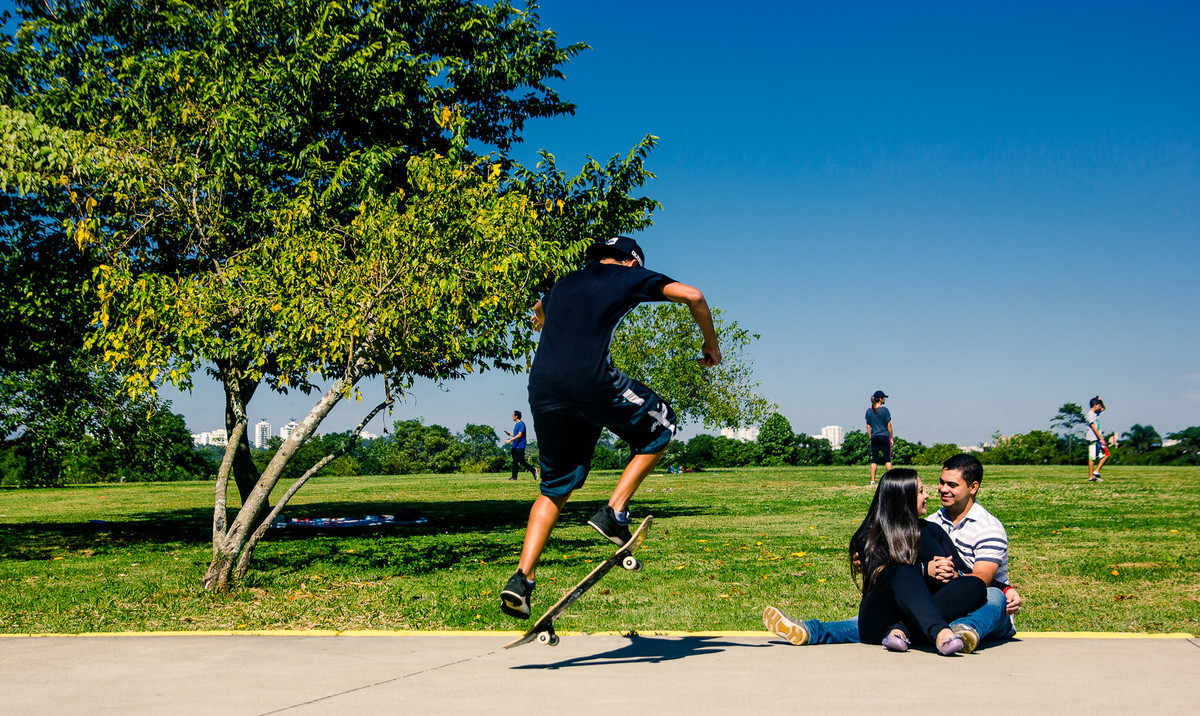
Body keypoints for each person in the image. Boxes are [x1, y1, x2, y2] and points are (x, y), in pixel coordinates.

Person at [500, 236, 721, 619]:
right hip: (590, 382)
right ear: (632, 262)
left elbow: (538, 310)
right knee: (662, 425)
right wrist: (710, 345)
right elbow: (694, 296)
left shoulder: (566, 282)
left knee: (554, 487)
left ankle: (522, 579)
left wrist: (556, 327)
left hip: (545, 389)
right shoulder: (626, 276)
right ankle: (614, 511)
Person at [763, 454, 1023, 654]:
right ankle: (940, 633)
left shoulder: (937, 529)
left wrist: (1004, 587)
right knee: (902, 575)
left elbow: (970, 574)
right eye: (925, 489)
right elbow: (888, 577)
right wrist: (924, 570)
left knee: (980, 589)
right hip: (883, 614)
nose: (935, 492)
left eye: (950, 485)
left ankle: (900, 631)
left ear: (973, 487)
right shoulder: (873, 535)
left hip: (917, 611)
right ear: (903, 498)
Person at [865, 390, 892, 485]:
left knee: (874, 459)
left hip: (874, 437)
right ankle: (890, 480)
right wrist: (891, 438)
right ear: (880, 399)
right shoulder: (885, 410)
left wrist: (870, 437)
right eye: (884, 398)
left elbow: (868, 426)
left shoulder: (869, 411)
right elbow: (889, 425)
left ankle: (872, 481)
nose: (885, 400)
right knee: (887, 459)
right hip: (884, 436)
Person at [502, 410, 538, 482]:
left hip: (520, 446)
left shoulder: (521, 424)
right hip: (515, 446)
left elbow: (519, 435)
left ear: (516, 416)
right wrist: (510, 434)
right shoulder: (517, 424)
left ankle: (533, 470)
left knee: (521, 461)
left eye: (513, 415)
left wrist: (510, 440)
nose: (512, 416)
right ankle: (514, 477)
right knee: (515, 462)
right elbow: (516, 435)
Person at [1085, 396, 1108, 482]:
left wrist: (1100, 401)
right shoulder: (1090, 414)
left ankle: (1096, 471)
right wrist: (1101, 439)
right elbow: (1094, 427)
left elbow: (1104, 408)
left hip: (1098, 439)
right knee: (1092, 457)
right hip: (1093, 438)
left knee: (1106, 454)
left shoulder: (1096, 413)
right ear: (1095, 405)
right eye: (1098, 405)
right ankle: (1091, 477)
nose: (1100, 407)